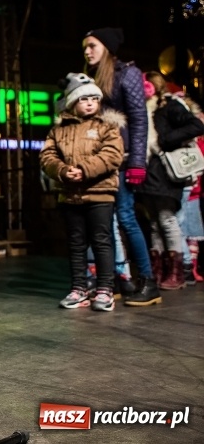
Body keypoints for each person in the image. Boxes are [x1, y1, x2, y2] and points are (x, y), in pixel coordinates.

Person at [81, 27, 159, 307]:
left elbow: (139, 119)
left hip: (124, 160)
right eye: (85, 47)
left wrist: (138, 161)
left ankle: (149, 282)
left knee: (125, 218)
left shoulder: (128, 74)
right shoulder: (92, 77)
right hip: (101, 159)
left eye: (92, 45)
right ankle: (113, 279)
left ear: (108, 47)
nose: (87, 51)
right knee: (105, 223)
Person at [40, 73, 124, 311]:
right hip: (69, 194)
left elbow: (112, 154)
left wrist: (84, 170)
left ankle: (105, 289)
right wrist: (63, 170)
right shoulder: (58, 130)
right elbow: (47, 156)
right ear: (72, 102)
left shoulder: (107, 126)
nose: (89, 102)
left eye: (94, 98)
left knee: (101, 241)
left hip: (100, 194)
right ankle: (79, 288)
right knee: (76, 243)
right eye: (83, 98)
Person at [134, 71, 204, 290]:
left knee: (167, 220)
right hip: (149, 172)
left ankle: (176, 273)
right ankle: (159, 270)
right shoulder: (144, 111)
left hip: (166, 173)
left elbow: (196, 125)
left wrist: (165, 141)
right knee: (155, 223)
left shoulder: (170, 106)